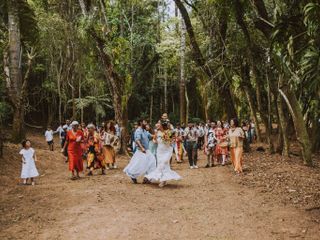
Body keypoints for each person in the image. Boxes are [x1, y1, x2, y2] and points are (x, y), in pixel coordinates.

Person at [145, 119, 181, 187]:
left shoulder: (168, 132)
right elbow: (154, 139)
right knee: (161, 165)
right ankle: (163, 179)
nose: (157, 125)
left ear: (162, 125)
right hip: (159, 151)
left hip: (167, 151)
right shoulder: (157, 132)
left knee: (163, 163)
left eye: (159, 123)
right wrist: (156, 141)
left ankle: (162, 180)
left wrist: (170, 140)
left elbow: (174, 139)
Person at [123, 119, 156, 184]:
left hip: (147, 150)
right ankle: (132, 175)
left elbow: (151, 136)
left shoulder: (144, 131)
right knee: (138, 165)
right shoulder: (138, 131)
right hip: (141, 151)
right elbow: (137, 140)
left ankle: (147, 177)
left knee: (152, 162)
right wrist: (142, 148)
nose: (146, 123)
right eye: (145, 122)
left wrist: (159, 134)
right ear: (141, 123)